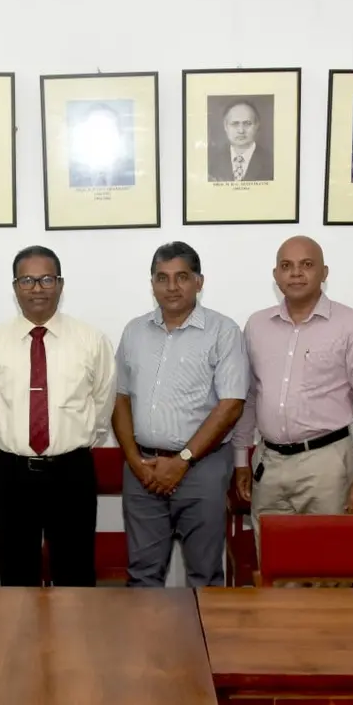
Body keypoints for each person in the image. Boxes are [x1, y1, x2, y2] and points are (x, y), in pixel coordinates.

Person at [0, 245, 115, 586]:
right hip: (13, 472)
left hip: (72, 471)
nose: (37, 288)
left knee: (75, 573)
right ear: (15, 287)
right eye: (27, 280)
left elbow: (102, 404)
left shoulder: (91, 340)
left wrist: (70, 442)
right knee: (17, 573)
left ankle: (75, 625)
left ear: (60, 284)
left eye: (47, 279)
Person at [232, 236, 353, 550]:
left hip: (327, 464)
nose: (296, 273)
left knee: (328, 563)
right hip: (269, 463)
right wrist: (240, 458)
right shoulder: (257, 325)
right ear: (275, 275)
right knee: (274, 563)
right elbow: (249, 396)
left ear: (324, 272)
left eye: (306, 264)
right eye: (286, 266)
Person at [112, 242, 247, 587]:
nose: (172, 287)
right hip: (143, 469)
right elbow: (120, 398)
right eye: (162, 278)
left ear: (199, 282)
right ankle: (147, 628)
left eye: (182, 277)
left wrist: (182, 461)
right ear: (152, 283)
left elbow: (231, 405)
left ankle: (204, 628)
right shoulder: (134, 331)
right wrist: (134, 460)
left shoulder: (223, 331)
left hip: (202, 468)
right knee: (142, 575)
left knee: (204, 575)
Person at [68, 103, 136, 187]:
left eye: (108, 130)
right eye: (94, 131)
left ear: (120, 136)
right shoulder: (71, 179)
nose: (101, 137)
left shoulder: (132, 175)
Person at [207, 100, 274, 182]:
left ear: (257, 125)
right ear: (225, 126)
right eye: (235, 124)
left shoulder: (272, 162)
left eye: (247, 123)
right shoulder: (212, 162)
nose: (241, 130)